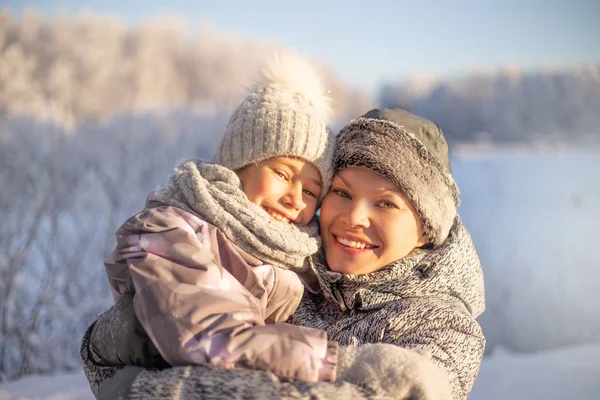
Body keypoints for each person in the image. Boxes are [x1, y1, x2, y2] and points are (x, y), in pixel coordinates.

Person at [81, 108, 485, 400]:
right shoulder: (288, 275)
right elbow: (108, 355)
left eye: (385, 204)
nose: (353, 218)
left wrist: (137, 389)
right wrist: (121, 335)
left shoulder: (447, 330)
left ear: (425, 230)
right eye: (341, 193)